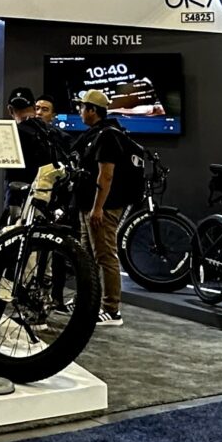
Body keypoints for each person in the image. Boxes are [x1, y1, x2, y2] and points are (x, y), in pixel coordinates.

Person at [74, 90, 141, 328]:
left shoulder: (108, 136)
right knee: (87, 256)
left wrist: (98, 208)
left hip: (103, 207)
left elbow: (106, 175)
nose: (80, 111)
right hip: (88, 206)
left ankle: (112, 310)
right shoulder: (96, 134)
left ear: (93, 110)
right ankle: (88, 301)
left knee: (105, 256)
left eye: (82, 107)